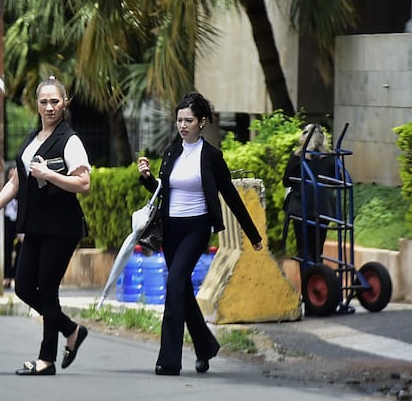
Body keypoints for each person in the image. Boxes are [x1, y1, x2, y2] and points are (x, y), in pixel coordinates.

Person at [0, 77, 91, 376]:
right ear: (36, 104)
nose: (49, 107)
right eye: (44, 101)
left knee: (47, 291)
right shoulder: (33, 138)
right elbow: (15, 182)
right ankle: (72, 330)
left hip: (61, 226)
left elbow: (84, 184)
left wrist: (49, 174)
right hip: (35, 226)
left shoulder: (70, 140)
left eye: (55, 101)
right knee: (24, 287)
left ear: (65, 103)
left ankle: (46, 359)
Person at [137, 92, 263, 376]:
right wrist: (146, 179)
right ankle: (205, 346)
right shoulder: (171, 152)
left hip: (197, 228)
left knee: (174, 286)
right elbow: (162, 192)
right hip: (170, 229)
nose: (183, 125)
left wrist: (252, 234)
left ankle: (168, 361)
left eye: (189, 120)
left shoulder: (211, 157)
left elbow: (230, 195)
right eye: (179, 120)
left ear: (202, 122)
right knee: (181, 290)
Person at [282, 124, 336, 265]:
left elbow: (286, 182)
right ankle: (318, 280)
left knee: (304, 252)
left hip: (302, 208)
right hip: (323, 208)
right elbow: (338, 180)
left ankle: (307, 283)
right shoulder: (329, 158)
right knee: (318, 250)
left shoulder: (297, 157)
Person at [3, 166, 20, 289]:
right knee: (7, 248)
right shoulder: (5, 191)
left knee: (20, 247)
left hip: (19, 222)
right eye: (10, 176)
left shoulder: (22, 191)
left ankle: (15, 275)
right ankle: (7, 276)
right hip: (8, 221)